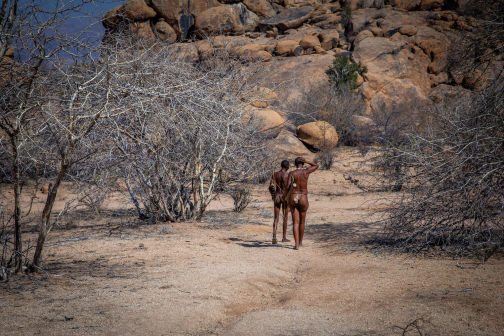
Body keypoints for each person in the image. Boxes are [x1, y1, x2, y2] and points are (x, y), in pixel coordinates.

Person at [283, 157, 319, 250]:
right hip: (303, 196)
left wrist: (284, 197)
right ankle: (301, 242)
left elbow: (287, 187)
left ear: (295, 164)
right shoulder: (306, 172)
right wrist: (307, 161)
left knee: (295, 222)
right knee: (302, 221)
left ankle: (296, 245)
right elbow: (316, 165)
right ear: (302, 164)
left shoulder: (292, 173)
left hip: (293, 196)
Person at [269, 160, 291, 244]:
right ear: (287, 167)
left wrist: (273, 195)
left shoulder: (275, 174)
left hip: (277, 196)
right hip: (285, 197)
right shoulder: (288, 175)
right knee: (285, 218)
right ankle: (284, 237)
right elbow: (290, 188)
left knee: (276, 218)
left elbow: (270, 186)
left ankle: (274, 236)